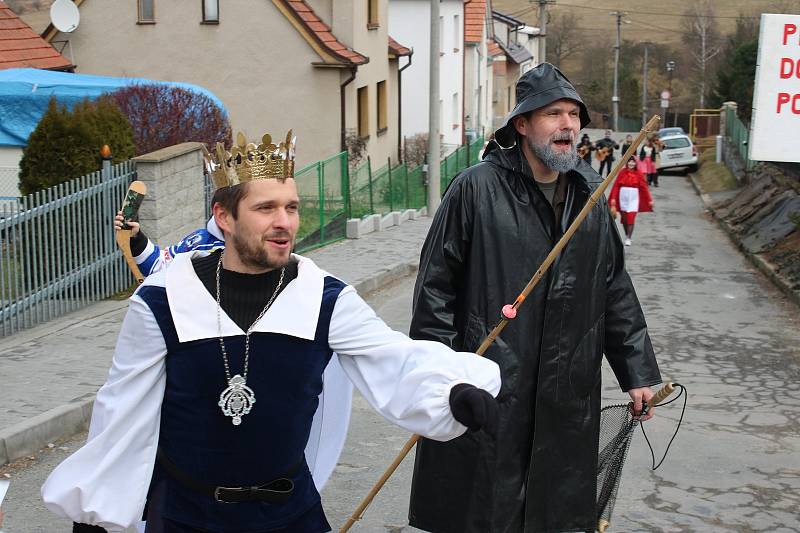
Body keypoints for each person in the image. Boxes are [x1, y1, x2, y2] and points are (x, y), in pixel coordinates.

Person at [42, 131, 502, 533]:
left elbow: (392, 357)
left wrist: (453, 390)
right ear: (224, 217)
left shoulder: (323, 297)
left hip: (289, 515)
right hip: (183, 515)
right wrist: (95, 510)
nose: (285, 222)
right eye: (265, 208)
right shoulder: (162, 302)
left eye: (292, 207)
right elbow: (122, 408)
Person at [407, 63, 662, 533]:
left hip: (566, 391)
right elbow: (435, 291)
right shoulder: (476, 190)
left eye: (573, 114)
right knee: (483, 511)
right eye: (552, 114)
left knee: (553, 512)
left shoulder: (590, 196)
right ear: (522, 125)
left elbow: (614, 288)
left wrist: (637, 372)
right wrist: (441, 379)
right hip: (489, 386)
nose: (567, 125)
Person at [609, 157, 654, 246]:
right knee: (625, 218)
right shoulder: (622, 172)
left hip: (634, 197)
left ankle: (629, 238)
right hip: (623, 196)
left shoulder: (639, 173)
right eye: (629, 162)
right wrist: (613, 198)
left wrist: (650, 200)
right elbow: (616, 186)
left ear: (635, 163)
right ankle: (627, 234)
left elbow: (644, 187)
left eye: (633, 162)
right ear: (627, 163)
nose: (631, 164)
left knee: (631, 216)